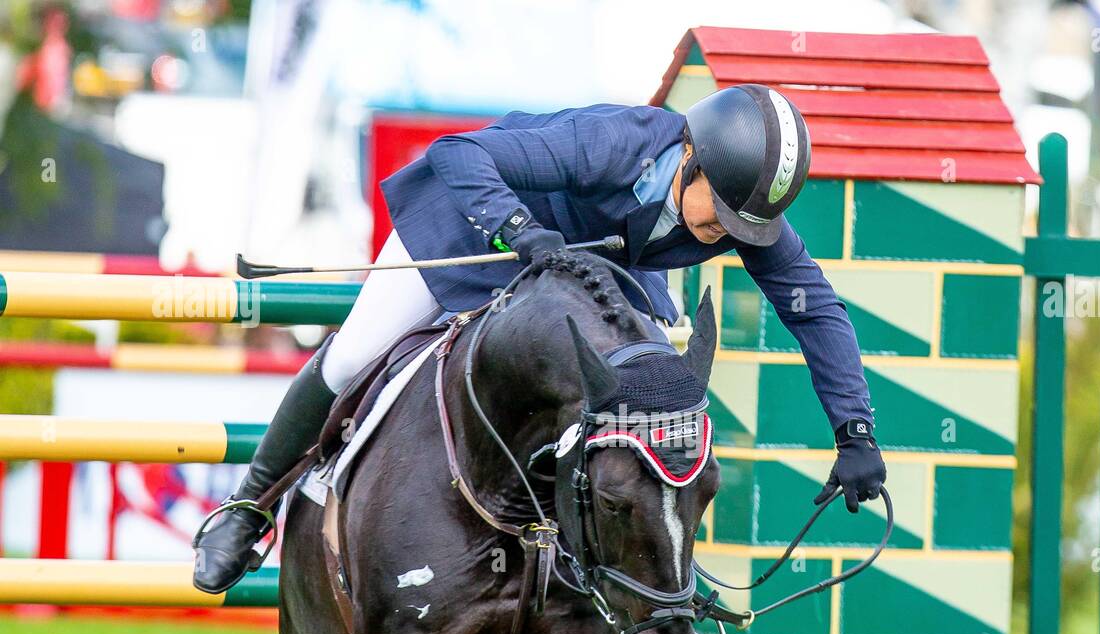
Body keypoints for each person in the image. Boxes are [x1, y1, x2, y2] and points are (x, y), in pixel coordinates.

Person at [192, 83, 888, 597]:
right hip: (476, 231)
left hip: (587, 276)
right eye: (726, 218)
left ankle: (656, 611)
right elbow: (457, 153)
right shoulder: (611, 145)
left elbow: (814, 308)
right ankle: (248, 508)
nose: (729, 236)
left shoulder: (734, 204)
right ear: (690, 159)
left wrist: (854, 430)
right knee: (352, 355)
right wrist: (520, 231)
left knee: (649, 390)